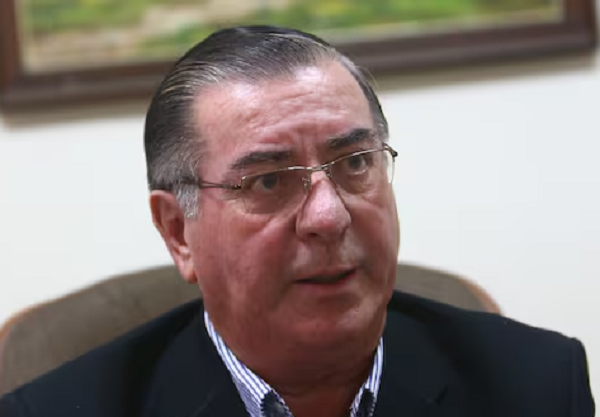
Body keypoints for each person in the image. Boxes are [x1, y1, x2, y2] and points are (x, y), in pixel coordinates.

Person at [0, 25, 594, 417]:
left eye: (355, 163)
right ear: (179, 232)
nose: (328, 216)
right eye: (268, 181)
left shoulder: (535, 384)